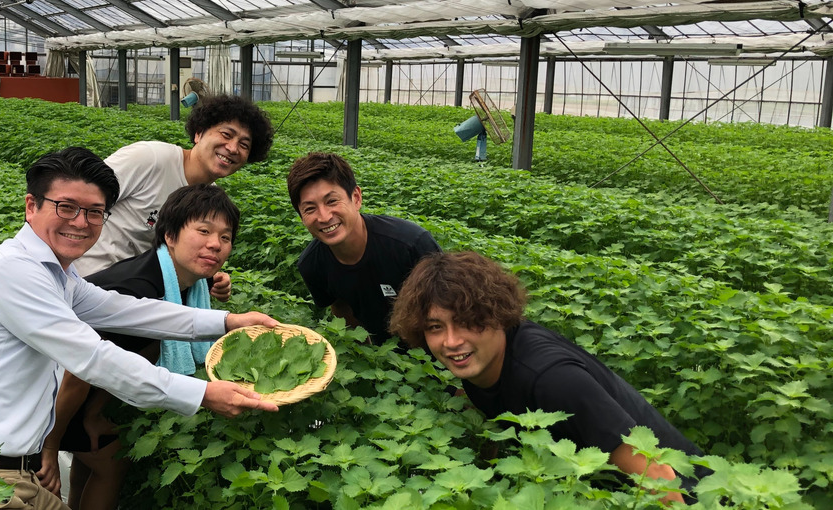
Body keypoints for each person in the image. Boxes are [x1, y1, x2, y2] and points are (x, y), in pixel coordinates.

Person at [0, 148, 279, 510]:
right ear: (31, 205)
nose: (81, 222)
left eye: (95, 212)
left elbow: (124, 310)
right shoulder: (14, 272)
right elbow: (93, 357)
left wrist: (227, 322)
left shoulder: (56, 272)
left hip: (12, 469)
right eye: (66, 207)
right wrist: (202, 394)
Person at [388, 251, 705, 504]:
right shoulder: (480, 361)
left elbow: (659, 477)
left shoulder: (553, 379)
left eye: (467, 321)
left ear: (496, 312)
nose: (452, 341)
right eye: (435, 327)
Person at [40, 184, 240, 510]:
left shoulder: (182, 277)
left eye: (225, 237)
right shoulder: (139, 289)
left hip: (91, 389)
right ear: (170, 236)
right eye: (203, 231)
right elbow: (79, 367)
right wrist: (52, 443)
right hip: (57, 388)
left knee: (90, 457)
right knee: (112, 463)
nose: (215, 244)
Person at [72, 94, 274, 305]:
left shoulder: (207, 199)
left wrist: (209, 277)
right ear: (199, 133)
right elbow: (79, 200)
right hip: (87, 281)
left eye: (244, 144)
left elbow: (179, 254)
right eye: (226, 134)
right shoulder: (150, 159)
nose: (232, 148)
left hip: (140, 295)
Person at [286, 152, 441, 344]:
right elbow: (341, 309)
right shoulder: (312, 264)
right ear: (301, 217)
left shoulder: (411, 245)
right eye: (310, 208)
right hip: (382, 358)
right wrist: (369, 352)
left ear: (356, 198)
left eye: (332, 201)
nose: (324, 217)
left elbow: (451, 311)